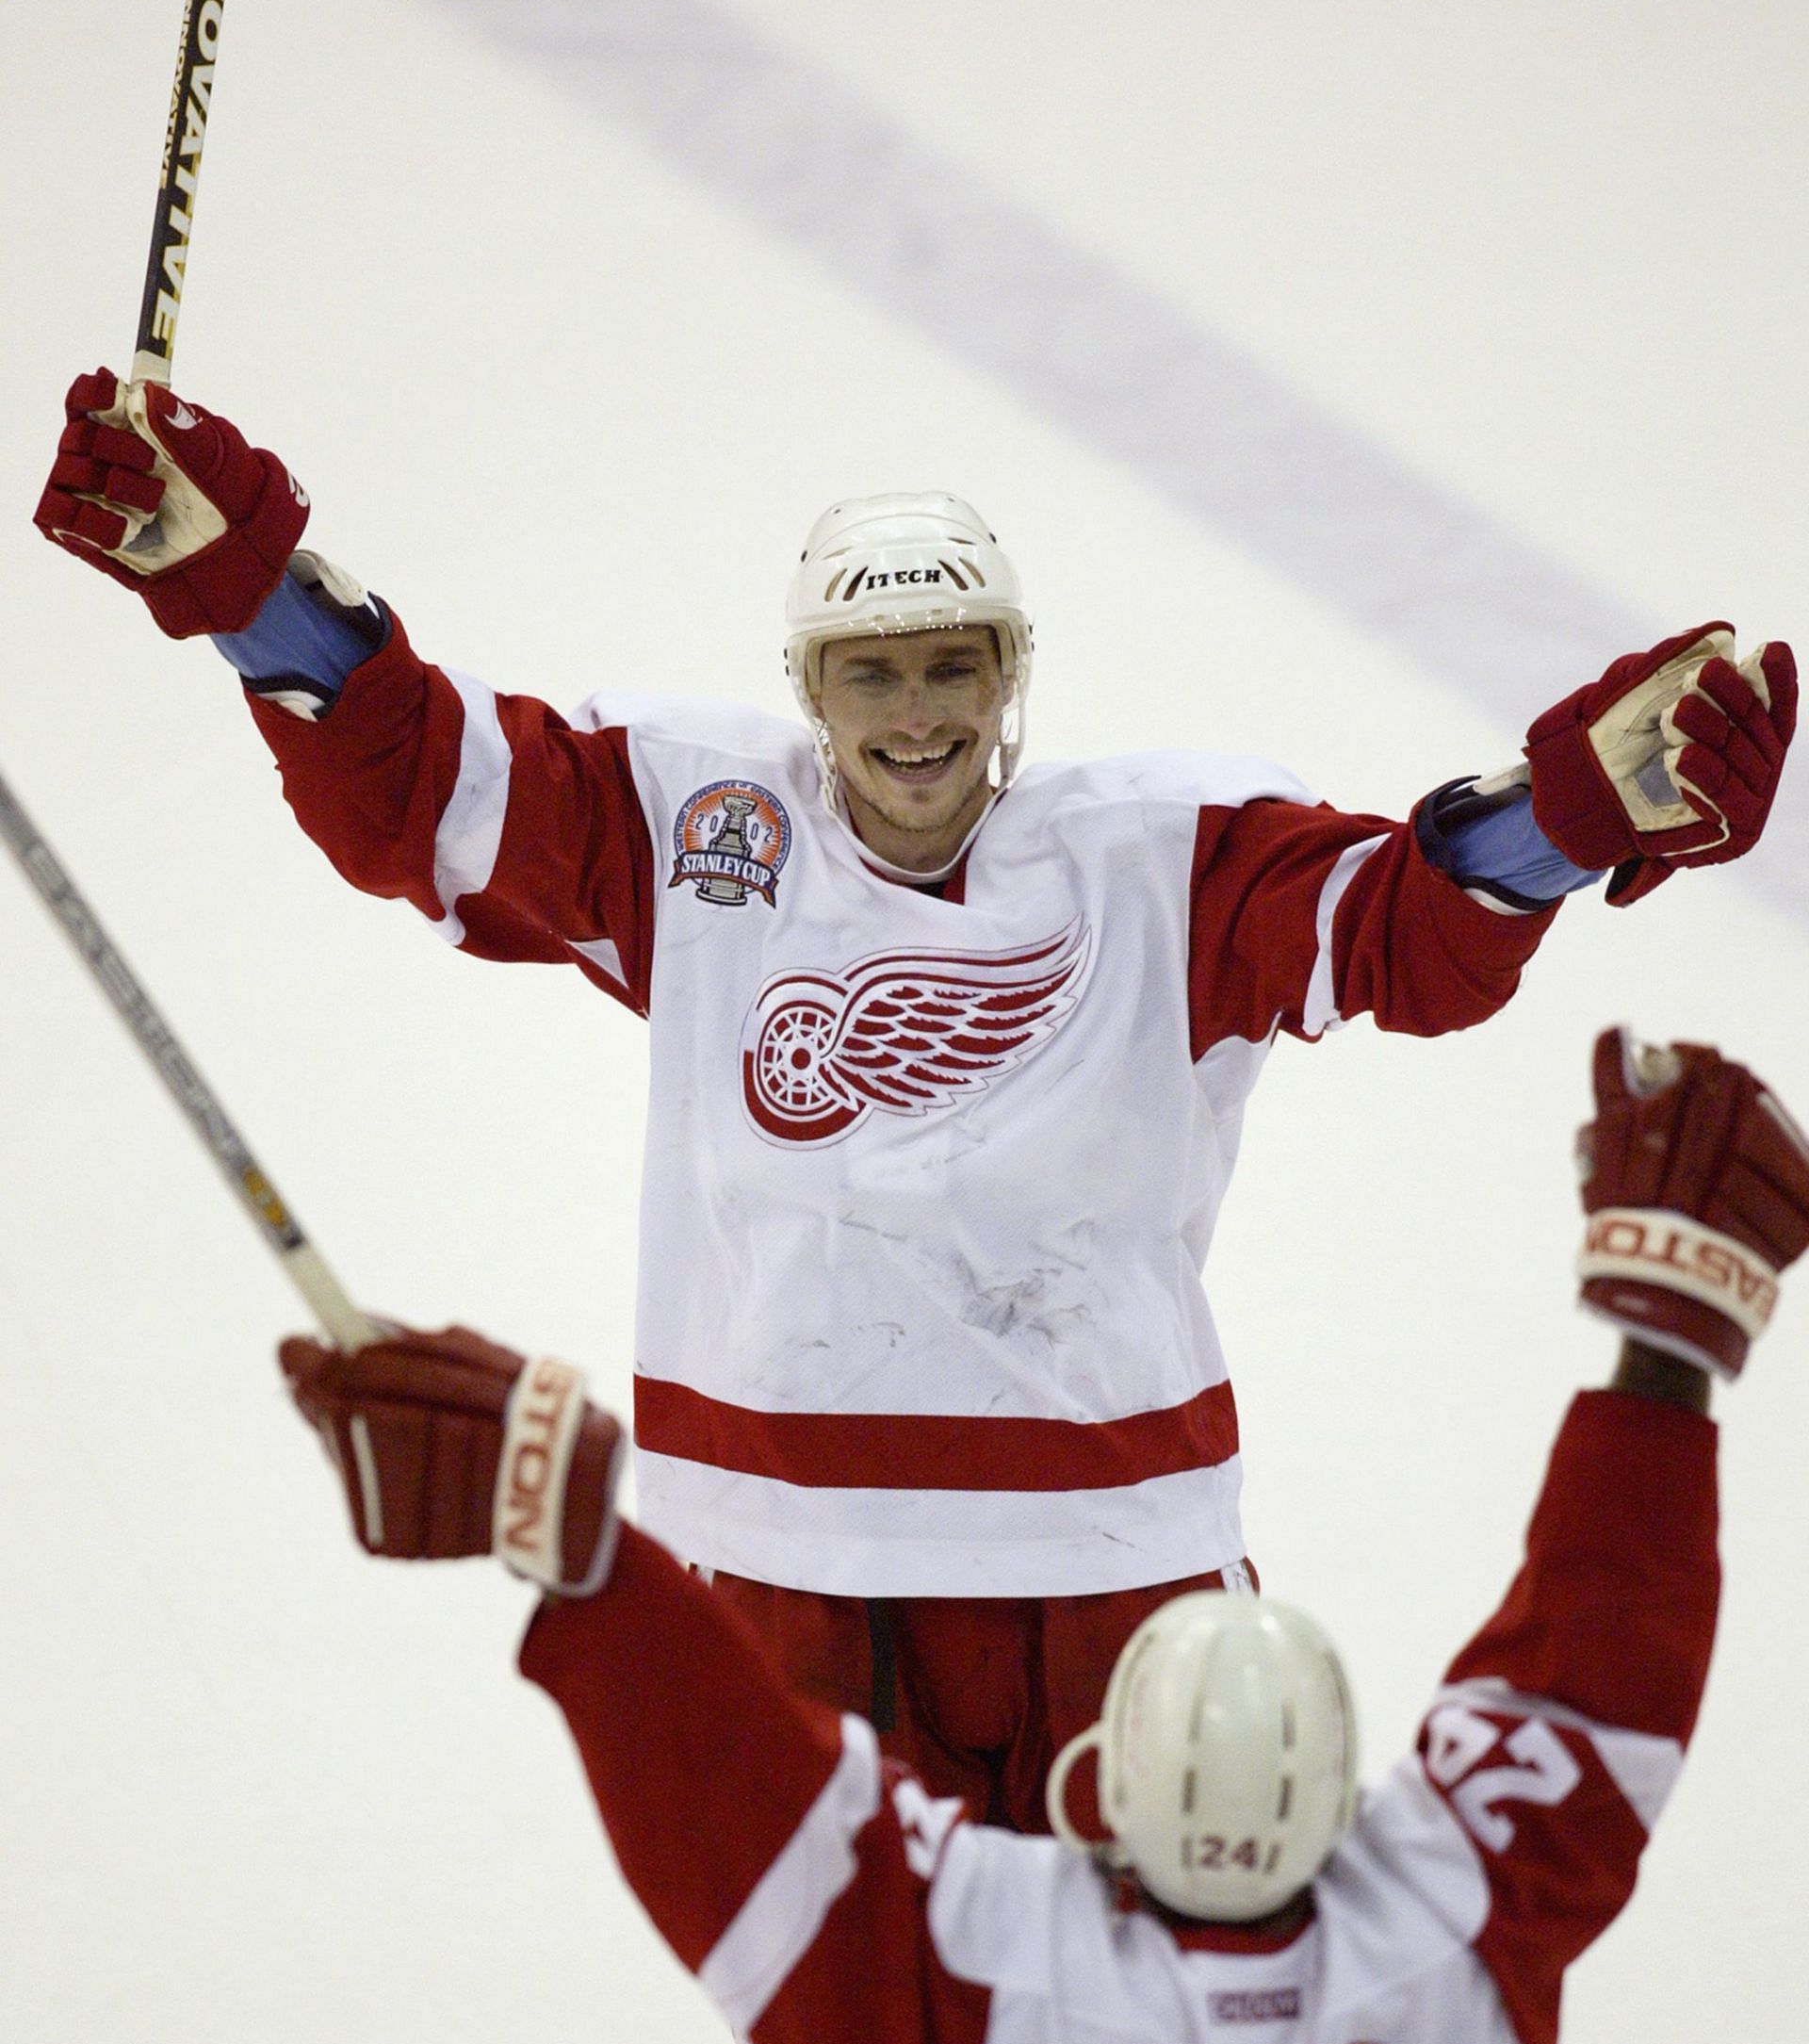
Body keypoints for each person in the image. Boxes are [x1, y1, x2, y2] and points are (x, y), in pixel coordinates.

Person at [36, 372, 1799, 1831]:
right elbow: (424, 781)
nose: (917, 715)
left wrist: (1574, 814)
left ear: (1007, 677)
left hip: (1117, 1574)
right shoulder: (701, 832)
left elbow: (1396, 927)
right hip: (788, 1578)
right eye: (870, 674)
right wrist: (237, 588)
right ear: (808, 693)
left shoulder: (1157, 863)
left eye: (954, 666)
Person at [277, 1022, 1809, 2044]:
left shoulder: (990, 1992)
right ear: (1350, 1803)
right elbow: (1597, 1695)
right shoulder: (1443, 1940)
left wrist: (572, 1533)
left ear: (1097, 1786)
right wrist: (1669, 1354)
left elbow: (752, 1804)